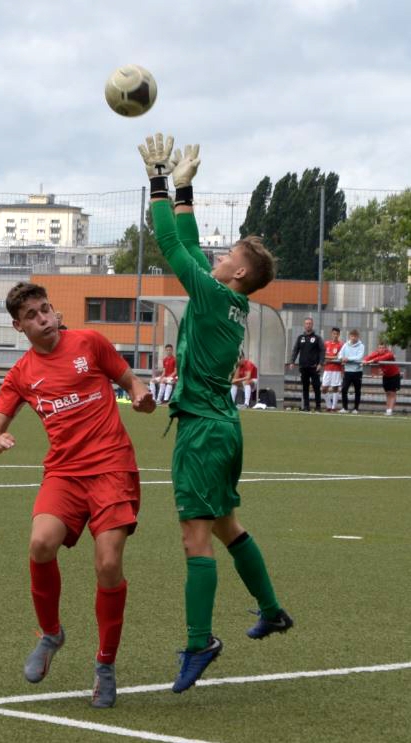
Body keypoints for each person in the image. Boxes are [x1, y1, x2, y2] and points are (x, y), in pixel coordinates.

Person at [139, 133, 292, 694]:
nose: (218, 257)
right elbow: (191, 241)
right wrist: (184, 187)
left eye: (228, 257)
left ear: (238, 275)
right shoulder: (230, 300)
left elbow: (171, 244)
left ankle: (200, 642)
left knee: (195, 539)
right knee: (228, 526)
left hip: (203, 431)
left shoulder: (210, 292)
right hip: (224, 428)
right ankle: (272, 609)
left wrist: (157, 179)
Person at [0, 281, 156, 710]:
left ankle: (105, 664)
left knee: (109, 563)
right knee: (41, 543)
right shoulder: (22, 373)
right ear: (18, 326)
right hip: (64, 472)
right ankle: (51, 634)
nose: (43, 319)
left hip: (112, 467)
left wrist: (139, 394)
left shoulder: (91, 343)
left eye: (46, 310)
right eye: (32, 316)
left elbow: (131, 379)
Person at [289, 317, 323, 412]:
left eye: (310, 323)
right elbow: (295, 350)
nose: (308, 325)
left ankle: (318, 406)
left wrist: (320, 363)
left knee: (316, 387)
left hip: (314, 367)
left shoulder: (317, 338)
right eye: (306, 323)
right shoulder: (300, 338)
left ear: (312, 325)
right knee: (305, 387)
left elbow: (322, 351)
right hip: (303, 367)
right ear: (304, 325)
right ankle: (306, 406)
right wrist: (292, 361)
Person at [363, 340, 401, 416]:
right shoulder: (377, 353)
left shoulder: (389, 354)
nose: (381, 349)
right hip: (386, 376)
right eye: (379, 348)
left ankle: (390, 410)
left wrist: (371, 361)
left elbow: (381, 358)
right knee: (387, 393)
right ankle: (387, 410)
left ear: (385, 348)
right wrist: (365, 360)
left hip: (394, 375)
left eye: (382, 348)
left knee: (392, 393)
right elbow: (369, 357)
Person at [337, 329, 366, 414]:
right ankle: (345, 408)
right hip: (348, 371)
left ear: (358, 337)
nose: (353, 338)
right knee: (344, 389)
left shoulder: (361, 346)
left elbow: (359, 357)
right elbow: (340, 355)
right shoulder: (346, 345)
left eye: (355, 336)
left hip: (357, 372)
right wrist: (342, 358)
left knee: (357, 390)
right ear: (349, 336)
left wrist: (348, 359)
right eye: (352, 336)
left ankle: (356, 409)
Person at [321, 327, 344, 412]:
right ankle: (328, 405)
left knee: (335, 388)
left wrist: (329, 358)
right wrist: (332, 358)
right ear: (331, 334)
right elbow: (323, 356)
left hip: (336, 369)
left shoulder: (341, 345)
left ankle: (333, 407)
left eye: (337, 334)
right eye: (334, 334)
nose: (335, 335)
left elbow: (339, 357)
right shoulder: (326, 343)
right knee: (324, 388)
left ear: (339, 335)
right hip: (327, 369)